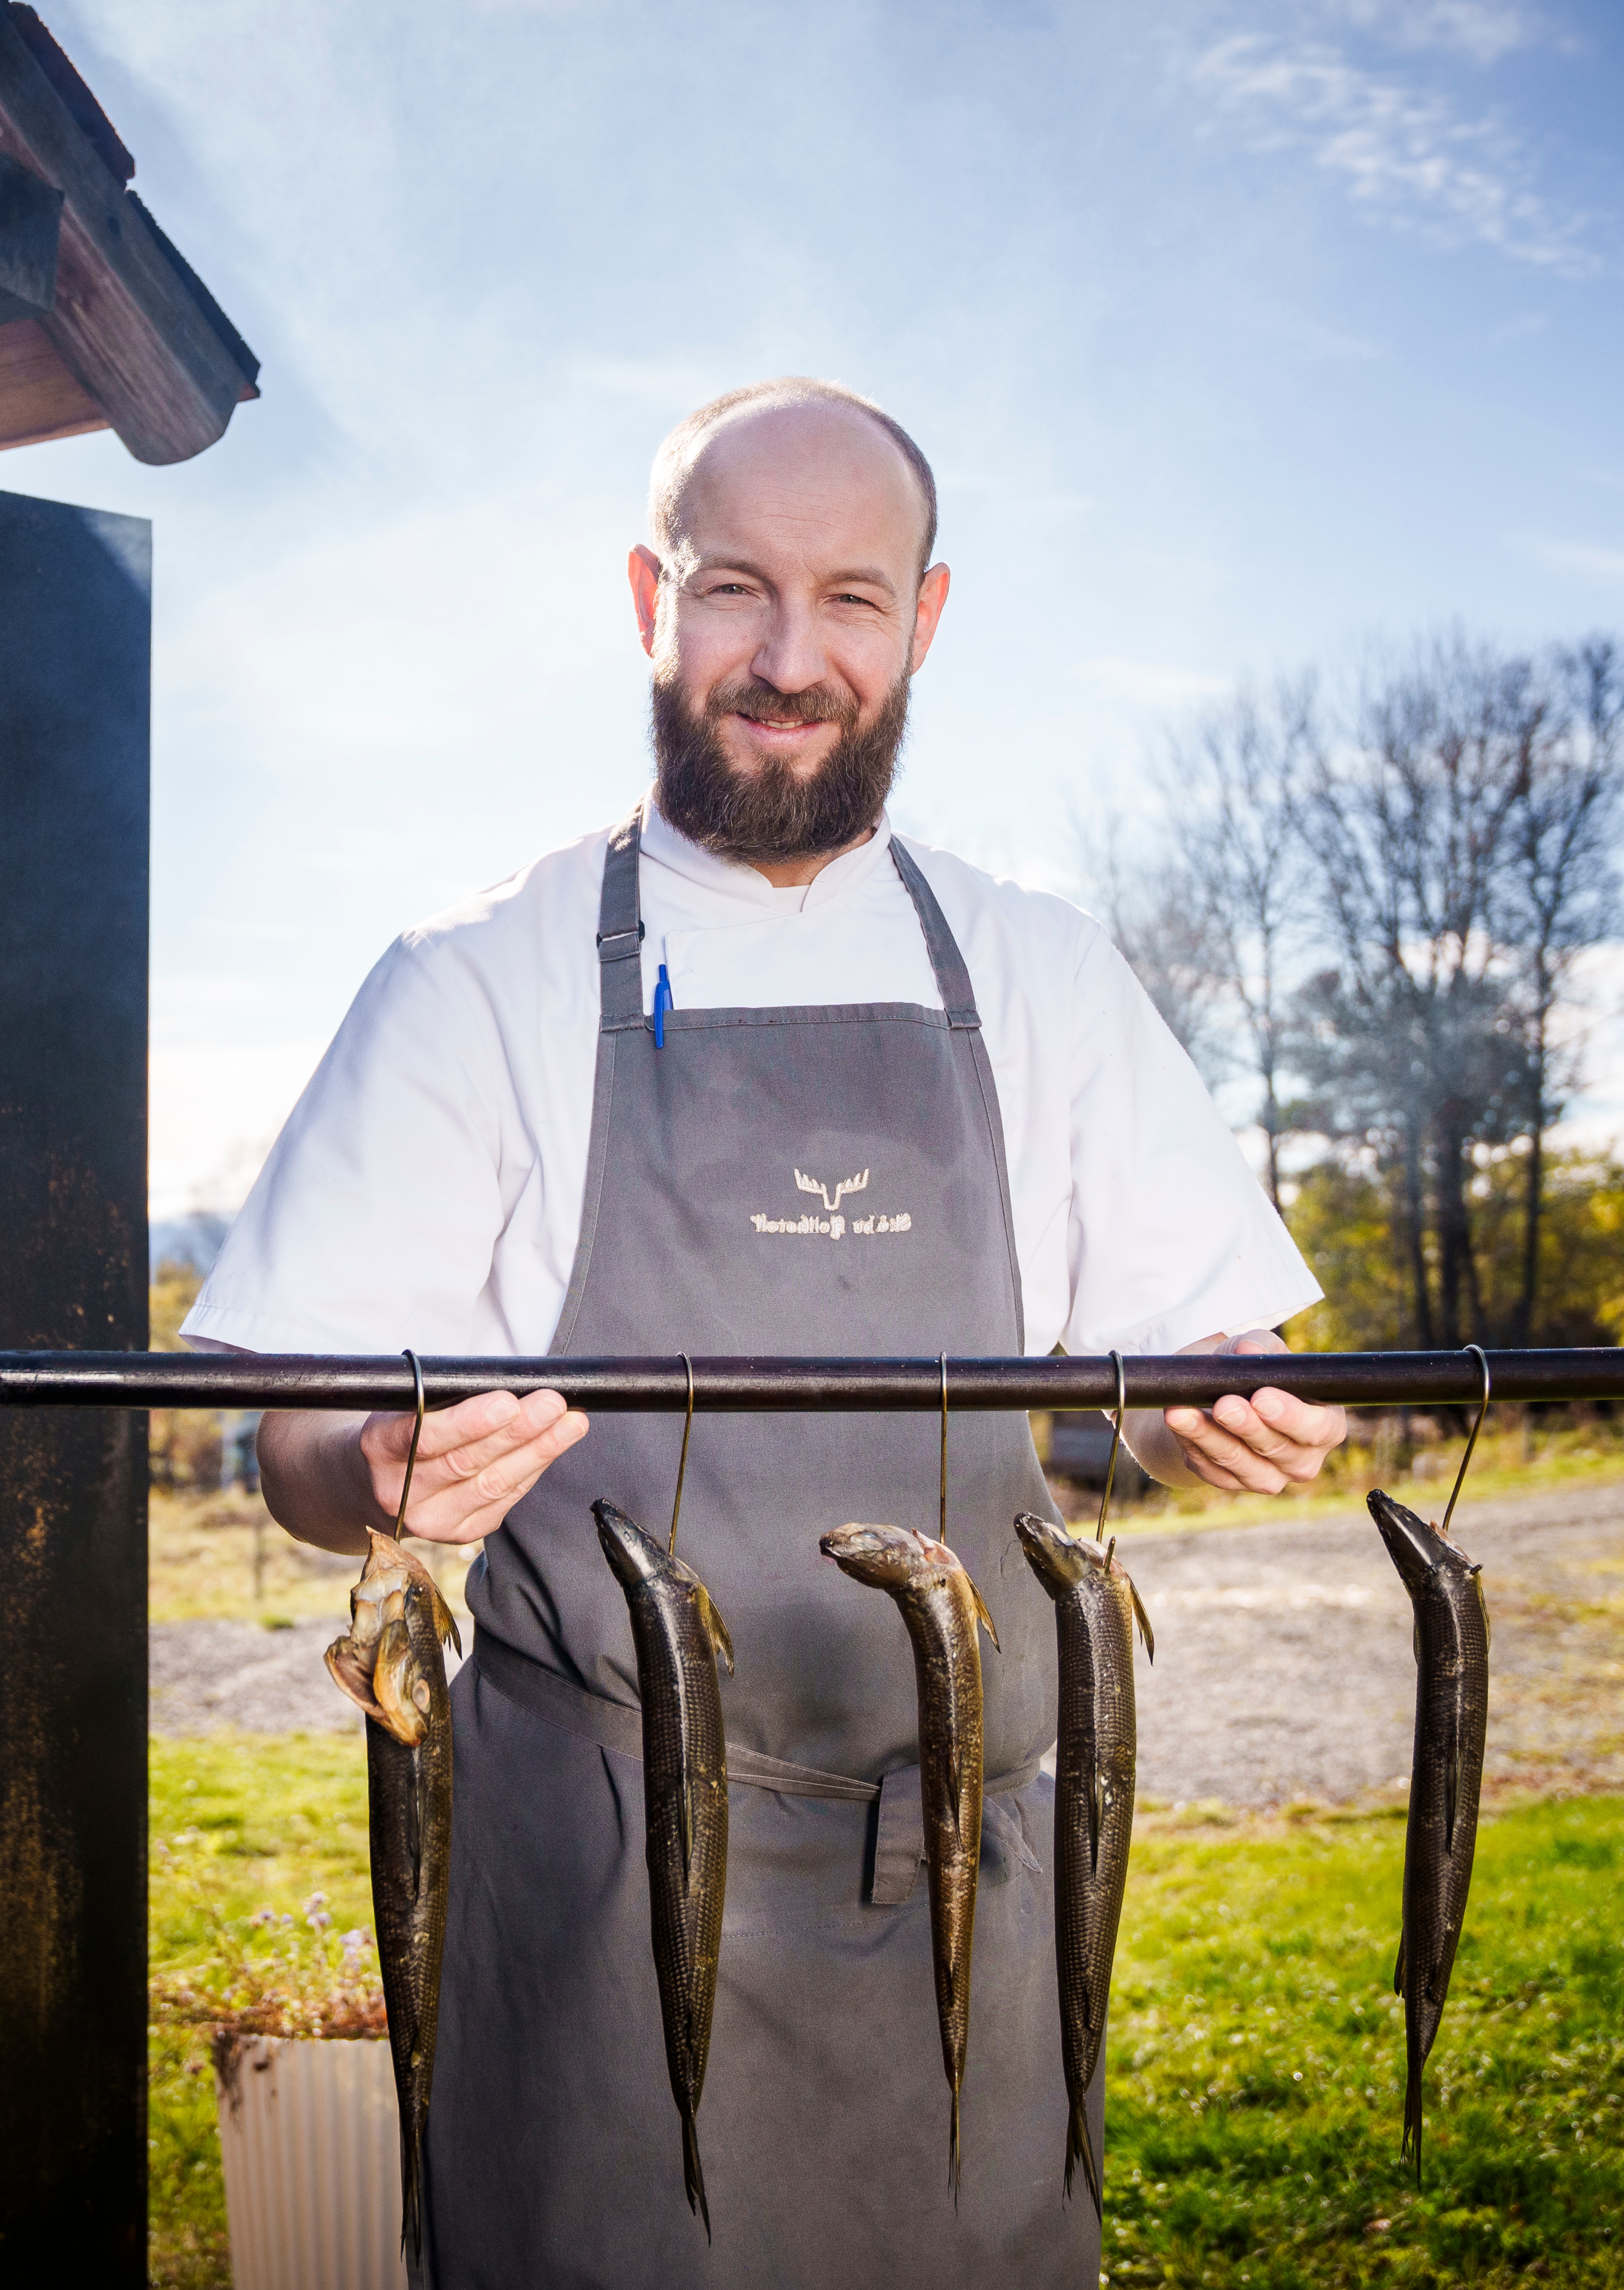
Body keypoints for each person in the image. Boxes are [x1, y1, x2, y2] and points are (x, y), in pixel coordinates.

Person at [185, 377, 1346, 2288]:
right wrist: (368, 1468)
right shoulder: (475, 975)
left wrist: (1215, 1408)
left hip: (975, 1885)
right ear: (652, 599)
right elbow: (292, 1436)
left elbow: (1174, 1364)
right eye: (736, 588)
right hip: (604, 1890)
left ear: (927, 618)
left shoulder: (1041, 969)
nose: (793, 659)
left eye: (852, 598)